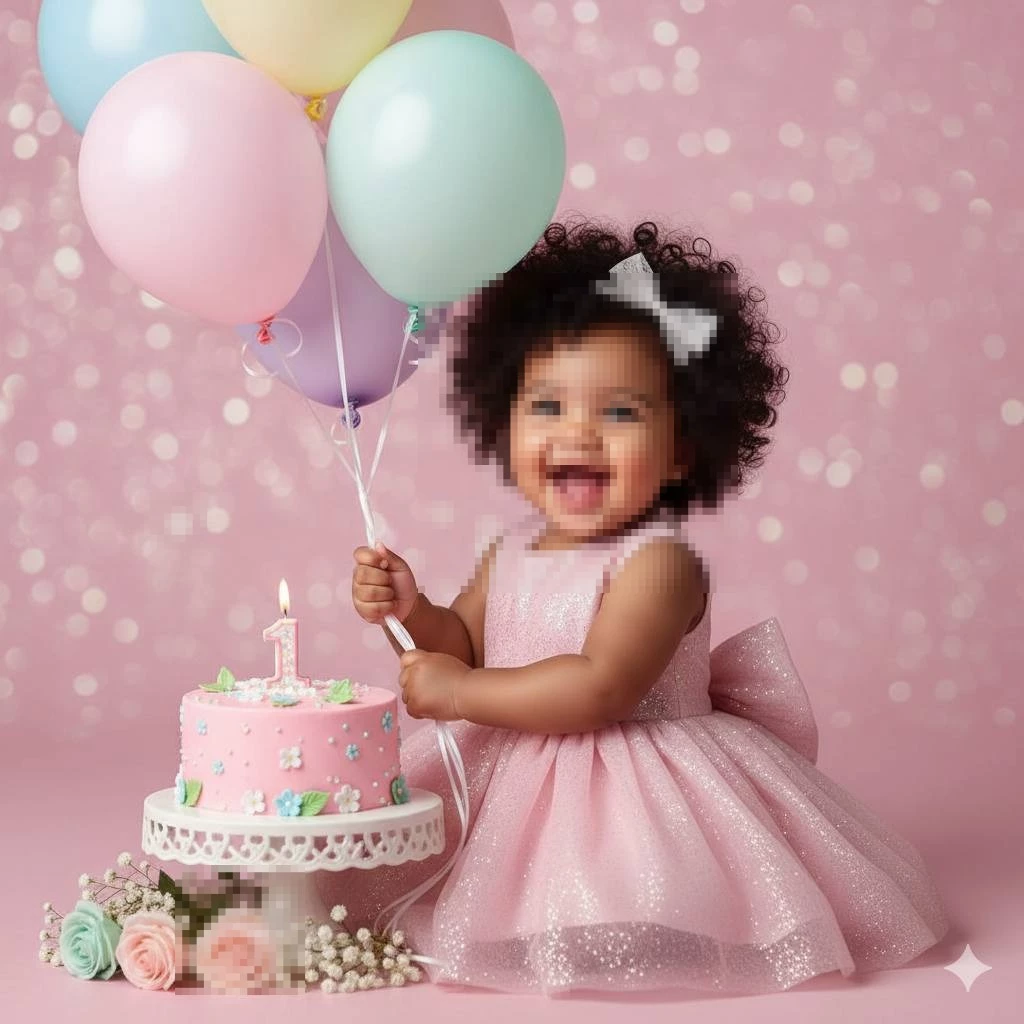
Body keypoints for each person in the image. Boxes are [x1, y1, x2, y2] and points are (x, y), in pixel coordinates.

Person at [326, 219, 949, 996]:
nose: (578, 433)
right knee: (437, 878)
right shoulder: (509, 552)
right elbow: (462, 645)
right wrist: (414, 613)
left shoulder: (659, 565)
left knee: (628, 883)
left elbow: (600, 687)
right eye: (546, 406)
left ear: (683, 448)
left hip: (639, 791)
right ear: (503, 421)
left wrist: (458, 695)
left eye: (620, 413)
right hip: (512, 777)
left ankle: (637, 925)